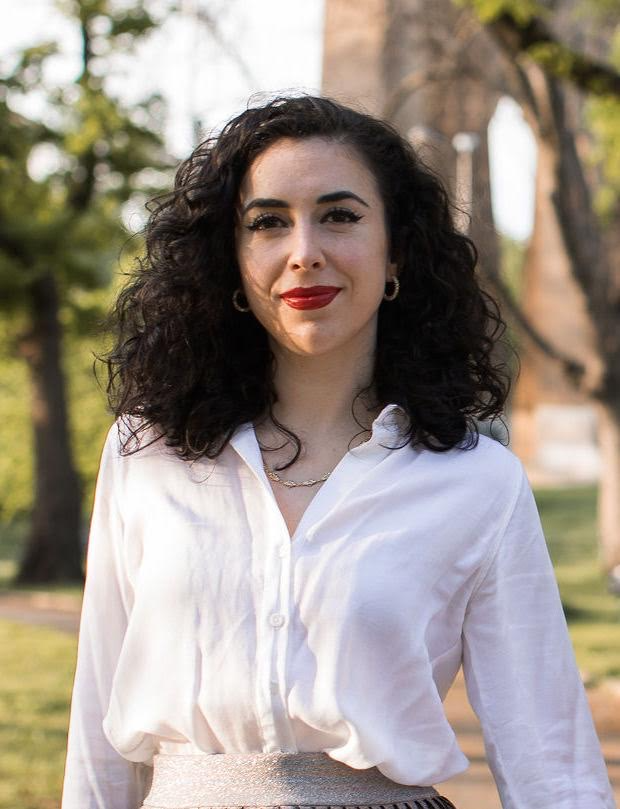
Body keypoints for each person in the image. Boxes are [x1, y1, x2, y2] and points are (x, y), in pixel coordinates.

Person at [61, 94, 615, 809]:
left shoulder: (478, 481)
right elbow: (99, 736)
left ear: (397, 255)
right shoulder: (147, 454)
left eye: (340, 216)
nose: (304, 251)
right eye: (268, 222)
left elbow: (552, 761)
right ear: (233, 261)